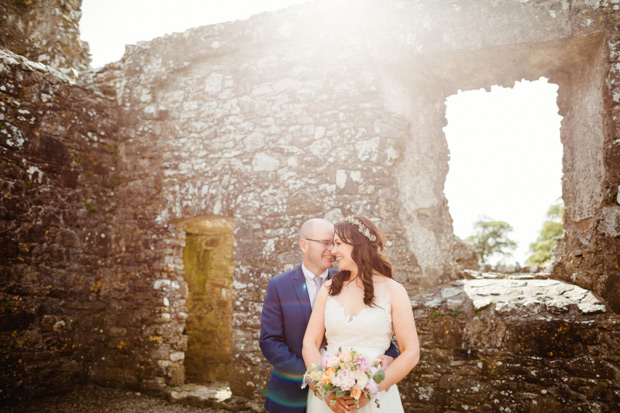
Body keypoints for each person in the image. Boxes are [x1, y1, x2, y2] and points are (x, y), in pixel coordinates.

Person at [260, 218, 399, 413]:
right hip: (291, 392)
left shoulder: (350, 280)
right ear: (304, 244)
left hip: (352, 390)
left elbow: (371, 328)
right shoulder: (279, 285)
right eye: (326, 243)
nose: (332, 249)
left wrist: (392, 355)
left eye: (335, 243)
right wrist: (319, 377)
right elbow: (270, 341)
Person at [302, 216, 420, 413]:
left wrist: (372, 390)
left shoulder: (394, 291)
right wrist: (325, 389)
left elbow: (411, 352)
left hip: (376, 397)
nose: (332, 251)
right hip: (328, 398)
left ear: (358, 245)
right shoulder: (329, 288)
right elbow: (310, 343)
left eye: (338, 243)